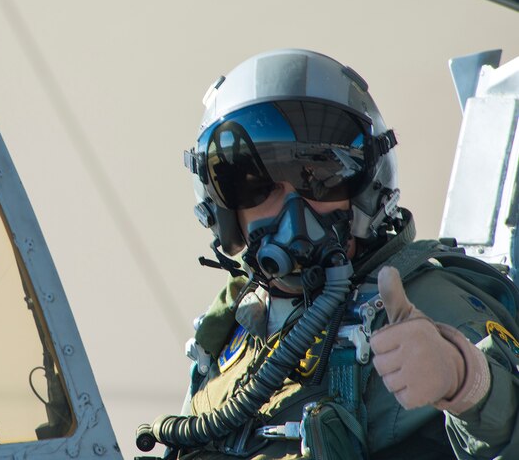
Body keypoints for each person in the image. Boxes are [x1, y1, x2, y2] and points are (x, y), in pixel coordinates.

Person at [138, 49, 519, 460]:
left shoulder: (432, 309)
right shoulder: (236, 322)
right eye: (256, 186)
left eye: (320, 179)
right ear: (228, 213)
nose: (294, 213)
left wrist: (467, 381)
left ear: (367, 190)